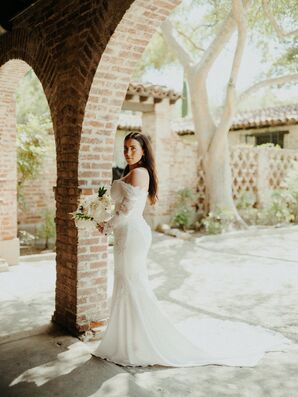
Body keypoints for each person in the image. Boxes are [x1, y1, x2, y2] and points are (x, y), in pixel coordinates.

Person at [92, 131, 291, 368]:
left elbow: (125, 211)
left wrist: (105, 227)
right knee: (124, 282)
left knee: (132, 284)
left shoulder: (139, 173)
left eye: (133, 148)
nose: (128, 152)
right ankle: (127, 339)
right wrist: (99, 215)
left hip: (132, 235)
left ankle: (141, 341)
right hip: (125, 234)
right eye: (125, 148)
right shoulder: (130, 172)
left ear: (144, 150)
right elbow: (118, 208)